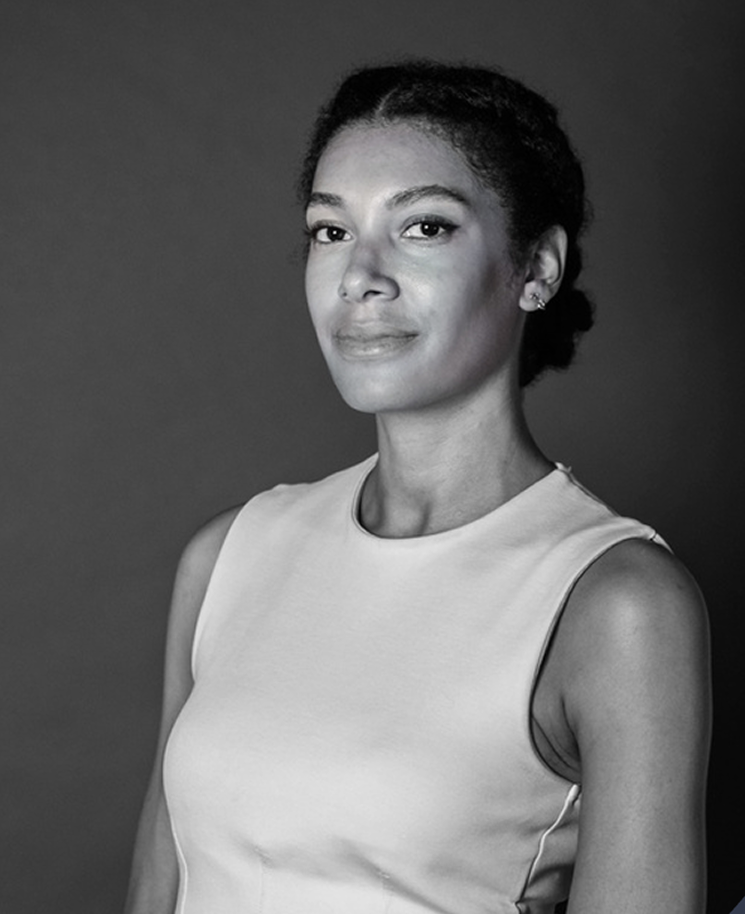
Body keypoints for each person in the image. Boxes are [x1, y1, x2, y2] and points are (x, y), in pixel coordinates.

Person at [125, 61, 711, 914]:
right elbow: (159, 887)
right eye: (330, 231)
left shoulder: (616, 603)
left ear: (536, 268)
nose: (359, 274)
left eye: (424, 227)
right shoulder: (227, 556)